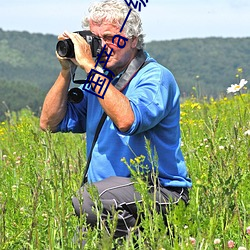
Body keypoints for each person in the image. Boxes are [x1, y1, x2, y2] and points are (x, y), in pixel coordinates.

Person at [40, 0, 192, 244]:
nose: (102, 46)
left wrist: (89, 66)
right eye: (95, 38)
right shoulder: (98, 80)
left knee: (88, 200)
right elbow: (49, 123)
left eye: (110, 37)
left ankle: (146, 241)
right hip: (110, 199)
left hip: (159, 192)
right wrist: (66, 70)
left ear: (133, 40)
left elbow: (127, 120)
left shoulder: (154, 77)